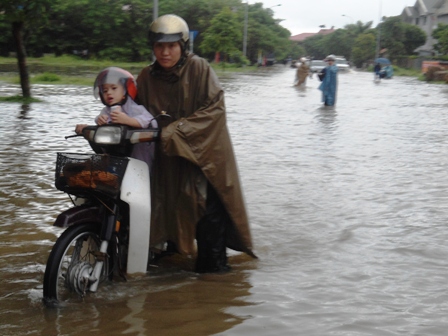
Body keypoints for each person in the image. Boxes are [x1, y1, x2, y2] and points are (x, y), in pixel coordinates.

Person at [135, 14, 256, 273]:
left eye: (171, 46)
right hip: (166, 162)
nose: (165, 52)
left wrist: (173, 133)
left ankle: (215, 282)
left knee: (208, 221)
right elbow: (134, 110)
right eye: (159, 46)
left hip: (202, 159)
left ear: (183, 46)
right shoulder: (145, 76)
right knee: (163, 212)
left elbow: (214, 111)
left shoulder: (200, 69)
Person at [75, 67, 157, 169]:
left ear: (125, 91)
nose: (109, 93)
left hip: (139, 155)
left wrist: (128, 120)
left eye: (114, 88)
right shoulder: (106, 111)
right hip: (115, 156)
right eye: (105, 90)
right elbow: (101, 122)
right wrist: (100, 120)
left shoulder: (135, 108)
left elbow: (149, 121)